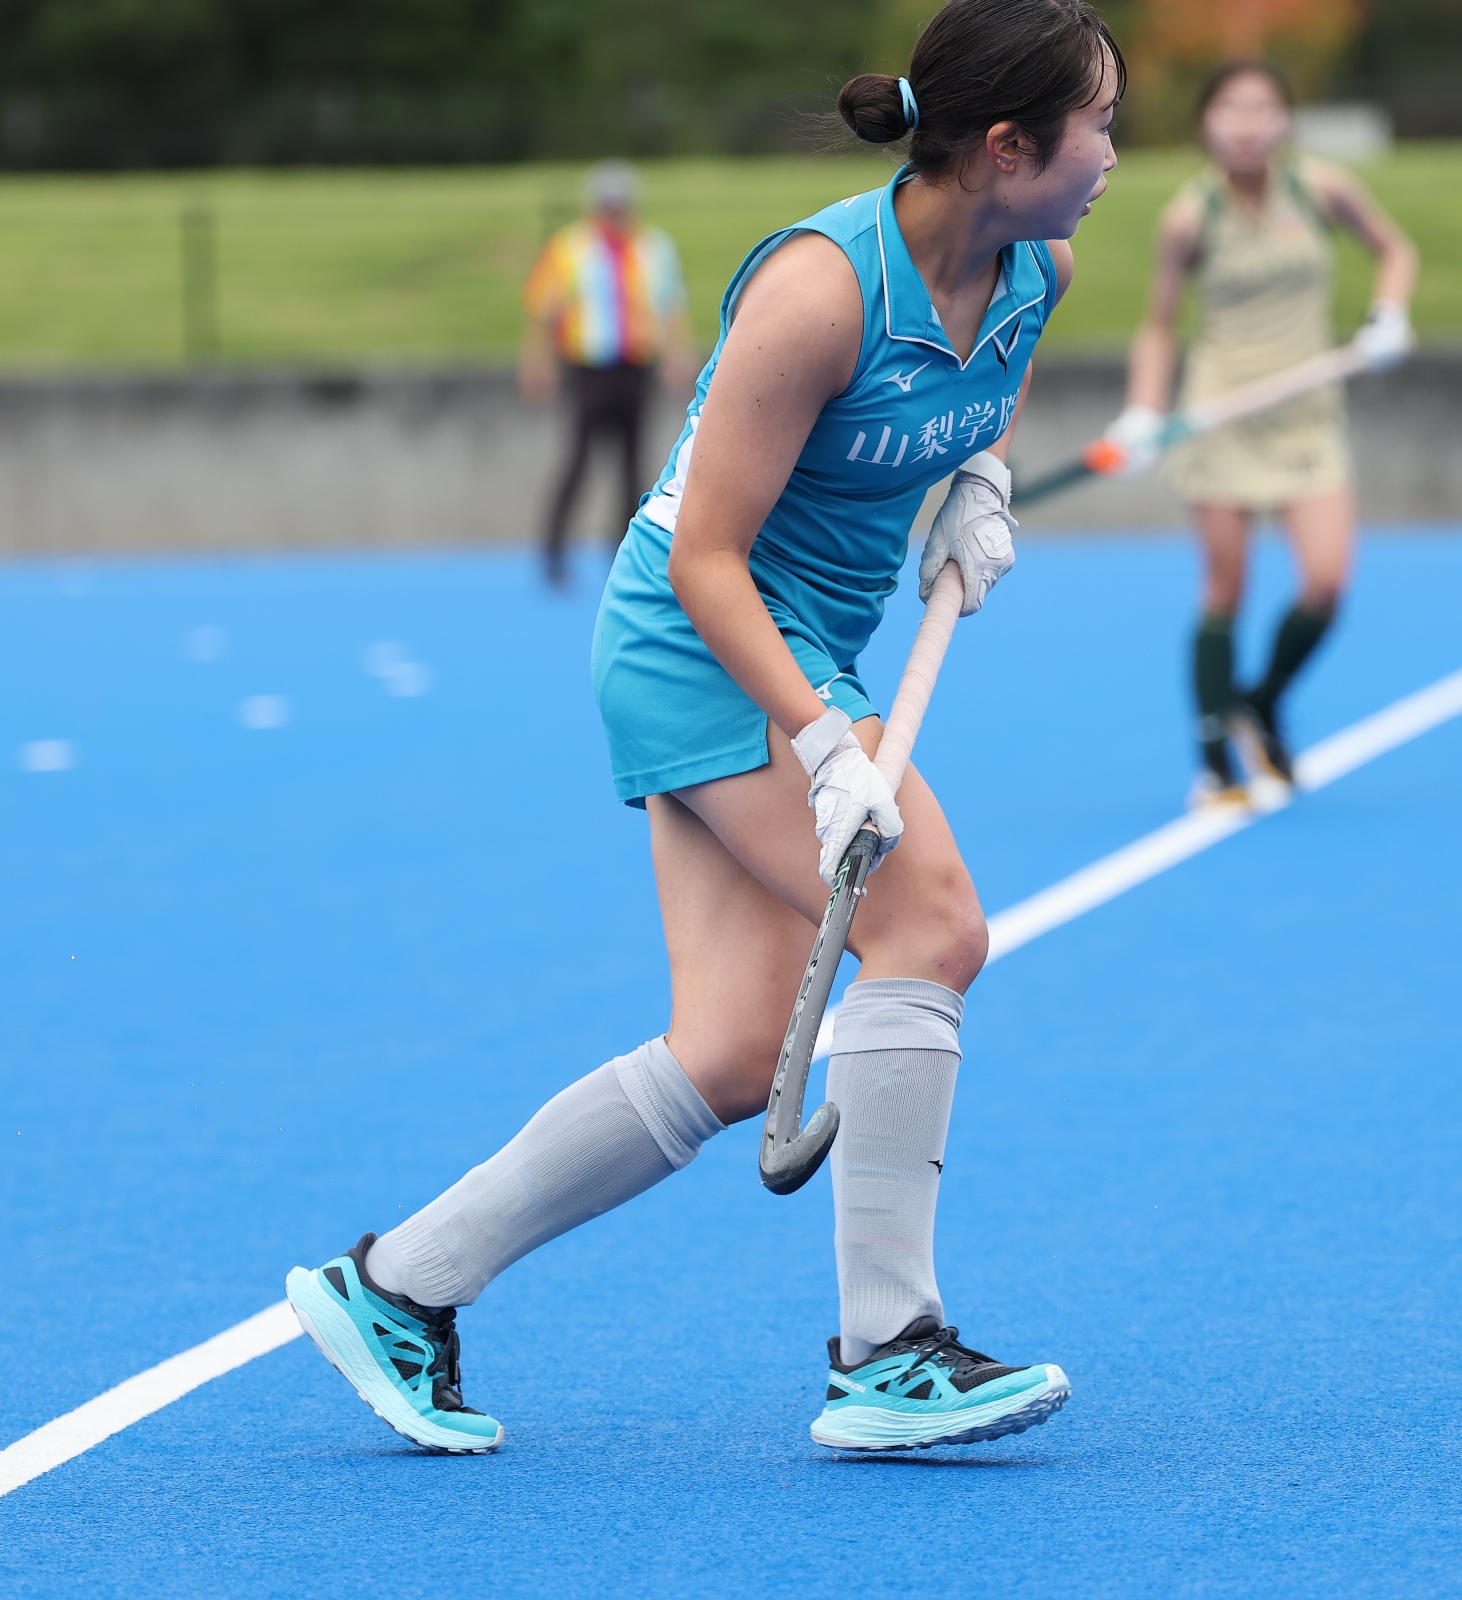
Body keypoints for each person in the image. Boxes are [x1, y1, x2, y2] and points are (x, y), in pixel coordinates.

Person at [285, 0, 1123, 1456]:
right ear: (1007, 146)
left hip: (807, 645)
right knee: (930, 924)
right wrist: (824, 744)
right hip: (705, 647)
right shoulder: (819, 292)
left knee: (732, 1053)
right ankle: (889, 1350)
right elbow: (705, 558)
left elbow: (984, 400)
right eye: (1098, 125)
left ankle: (400, 1284)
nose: (1113, 155)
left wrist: (979, 486)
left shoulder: (1035, 265)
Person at [1108, 61, 1416, 799]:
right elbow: (1158, 326)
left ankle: (1262, 700)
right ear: (1205, 123)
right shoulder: (1189, 217)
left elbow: (1395, 251)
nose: (1247, 124)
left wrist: (1387, 315)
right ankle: (1215, 759)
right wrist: (1144, 412)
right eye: (1230, 108)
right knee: (1226, 587)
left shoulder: (1322, 188)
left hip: (1307, 415)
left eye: (1262, 107)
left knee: (1327, 583)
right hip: (1222, 413)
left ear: (1285, 120)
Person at [520, 161, 696, 588]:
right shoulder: (569, 248)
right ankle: (554, 552)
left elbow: (671, 306)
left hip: (636, 366)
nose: (615, 212)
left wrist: (677, 355)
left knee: (633, 464)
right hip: (590, 369)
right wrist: (538, 362)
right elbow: (544, 311)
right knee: (579, 458)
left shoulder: (654, 247)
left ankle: (623, 552)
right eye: (608, 205)